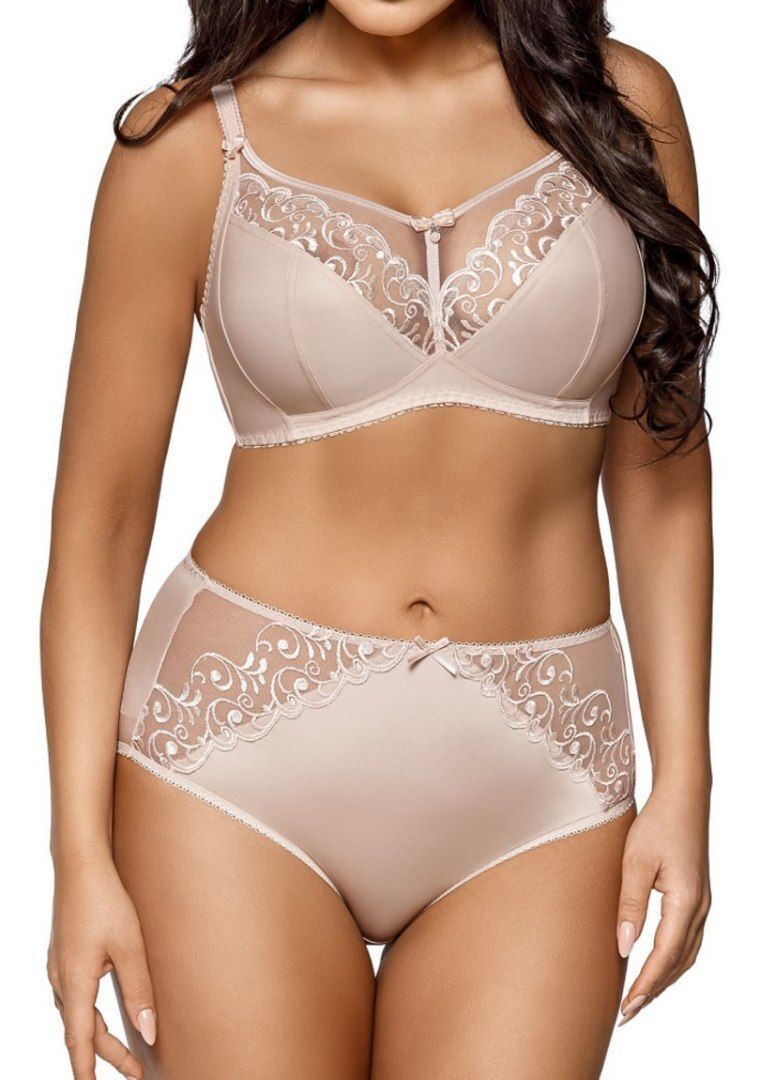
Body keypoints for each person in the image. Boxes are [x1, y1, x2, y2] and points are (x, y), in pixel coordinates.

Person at [41, 2, 715, 1077]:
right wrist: (78, 857)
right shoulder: (188, 143)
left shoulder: (622, 107)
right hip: (232, 773)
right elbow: (100, 524)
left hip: (543, 780)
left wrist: (687, 781)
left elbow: (663, 470)